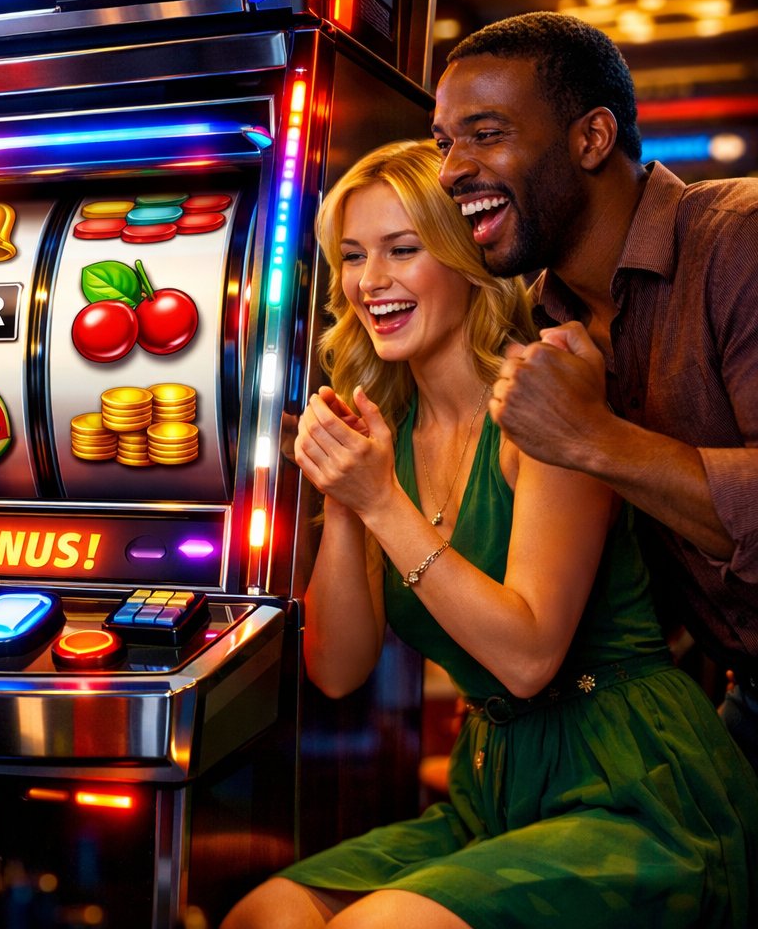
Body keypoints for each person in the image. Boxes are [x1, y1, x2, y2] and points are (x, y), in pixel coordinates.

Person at [223, 141, 758, 928]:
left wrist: (382, 504)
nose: (372, 283)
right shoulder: (390, 429)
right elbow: (337, 670)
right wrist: (344, 502)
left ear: (466, 261)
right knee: (267, 914)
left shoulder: (545, 397)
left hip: (634, 781)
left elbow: (528, 657)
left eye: (403, 250)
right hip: (495, 787)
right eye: (352, 257)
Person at [430, 11, 758, 768]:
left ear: (592, 138)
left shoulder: (737, 240)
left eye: (485, 133)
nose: (450, 171)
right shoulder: (537, 316)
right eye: (446, 142)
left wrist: (593, 439)